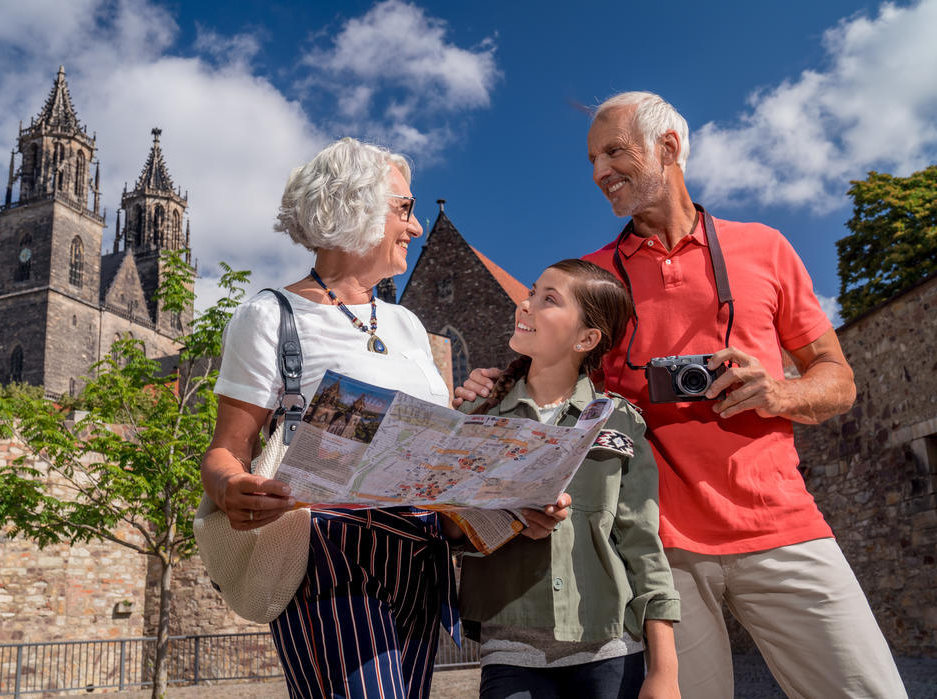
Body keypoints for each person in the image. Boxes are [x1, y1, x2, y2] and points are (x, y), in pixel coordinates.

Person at [456, 92, 907, 698]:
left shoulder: (765, 247)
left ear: (668, 147)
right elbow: (554, 390)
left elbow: (839, 380)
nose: (599, 172)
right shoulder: (592, 277)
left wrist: (775, 392)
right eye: (592, 160)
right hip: (659, 547)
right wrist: (496, 383)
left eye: (614, 151)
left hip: (784, 526)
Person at [201, 137, 470, 698]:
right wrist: (232, 487)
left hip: (422, 552)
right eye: (404, 208)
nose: (416, 226)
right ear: (356, 207)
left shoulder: (407, 326)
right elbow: (227, 449)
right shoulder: (270, 313)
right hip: (327, 552)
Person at [457, 259, 680, 699]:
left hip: (612, 650)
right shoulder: (474, 416)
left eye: (548, 300)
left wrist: (665, 669)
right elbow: (446, 524)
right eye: (532, 292)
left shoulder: (621, 420)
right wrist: (503, 515)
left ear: (586, 338)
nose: (526, 305)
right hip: (510, 650)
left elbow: (642, 544)